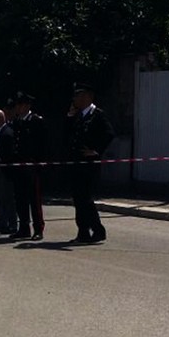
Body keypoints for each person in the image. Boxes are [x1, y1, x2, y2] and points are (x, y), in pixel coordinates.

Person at [67, 84, 115, 243]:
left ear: (87, 97)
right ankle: (85, 232)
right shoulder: (78, 115)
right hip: (77, 163)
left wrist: (96, 150)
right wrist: (70, 117)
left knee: (85, 199)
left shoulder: (97, 115)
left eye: (78, 96)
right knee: (79, 199)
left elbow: (109, 134)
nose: (75, 99)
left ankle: (95, 230)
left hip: (89, 165)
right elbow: (70, 135)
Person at [7, 92, 47, 241]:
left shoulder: (36, 121)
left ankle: (38, 229)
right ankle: (24, 228)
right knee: (20, 198)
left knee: (34, 199)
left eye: (20, 105)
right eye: (16, 105)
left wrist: (39, 162)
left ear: (27, 106)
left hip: (32, 166)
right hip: (19, 166)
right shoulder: (17, 122)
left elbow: (42, 144)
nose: (17, 108)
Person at [0, 105, 18, 234]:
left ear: (1, 119)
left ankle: (12, 224)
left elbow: (9, 153)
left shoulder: (6, 133)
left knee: (8, 198)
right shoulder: (0, 132)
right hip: (1, 168)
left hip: (7, 169)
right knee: (2, 197)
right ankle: (3, 222)